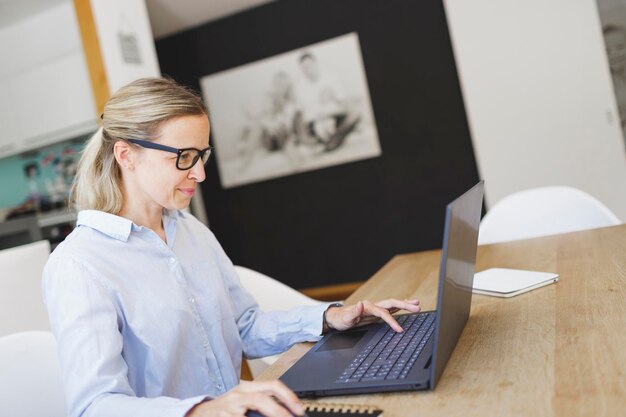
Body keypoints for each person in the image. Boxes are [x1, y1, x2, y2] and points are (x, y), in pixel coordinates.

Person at [42, 77, 420, 417]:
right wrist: (205, 411)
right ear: (126, 155)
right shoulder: (78, 265)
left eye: (201, 155)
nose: (200, 173)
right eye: (183, 157)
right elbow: (96, 406)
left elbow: (244, 325)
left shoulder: (189, 231)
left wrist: (331, 318)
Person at [294, 52, 361, 152]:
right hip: (315, 121)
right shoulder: (300, 87)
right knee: (303, 130)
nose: (308, 70)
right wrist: (319, 121)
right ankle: (333, 139)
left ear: (316, 64)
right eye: (304, 68)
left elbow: (341, 101)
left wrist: (331, 116)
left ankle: (330, 142)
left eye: (310, 65)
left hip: (334, 115)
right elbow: (305, 113)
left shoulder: (330, 77)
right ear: (301, 69)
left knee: (355, 115)